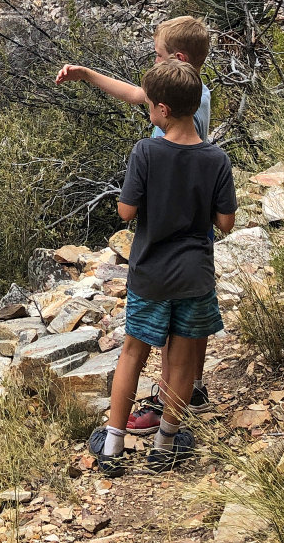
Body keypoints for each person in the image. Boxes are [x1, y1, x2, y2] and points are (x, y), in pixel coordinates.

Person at [55, 14, 215, 427]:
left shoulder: (160, 136)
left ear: (177, 59)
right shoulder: (196, 94)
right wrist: (88, 74)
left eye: (158, 56)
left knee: (166, 329)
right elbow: (136, 94)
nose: (154, 62)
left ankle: (165, 404)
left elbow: (134, 204)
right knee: (190, 320)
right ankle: (193, 387)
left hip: (164, 232)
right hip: (197, 233)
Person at [85, 58, 236, 476]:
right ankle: (166, 445)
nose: (148, 110)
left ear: (163, 110)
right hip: (194, 276)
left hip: (150, 273)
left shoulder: (146, 151)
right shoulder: (217, 159)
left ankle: (112, 447)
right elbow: (225, 223)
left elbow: (126, 212)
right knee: (183, 361)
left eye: (150, 105)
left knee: (132, 354)